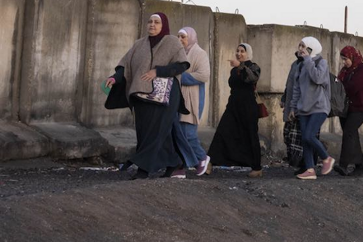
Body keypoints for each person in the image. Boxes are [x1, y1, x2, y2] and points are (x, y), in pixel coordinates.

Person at [105, 13, 189, 179]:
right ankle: (174, 163)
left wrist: (158, 71)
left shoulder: (172, 42)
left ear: (163, 24)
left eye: (156, 22)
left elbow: (182, 65)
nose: (152, 25)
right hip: (141, 95)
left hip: (166, 96)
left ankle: (143, 170)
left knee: (155, 131)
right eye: (150, 22)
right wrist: (114, 77)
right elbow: (125, 66)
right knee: (146, 132)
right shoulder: (139, 44)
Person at [207, 43, 263, 177]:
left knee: (251, 135)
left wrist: (240, 66)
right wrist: (238, 67)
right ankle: (210, 162)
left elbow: (251, 78)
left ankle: (257, 167)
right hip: (233, 106)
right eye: (237, 51)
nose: (239, 53)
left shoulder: (254, 67)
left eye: (242, 51)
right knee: (222, 131)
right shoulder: (234, 70)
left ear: (248, 53)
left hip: (248, 107)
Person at [291, 37, 335, 180]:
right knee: (305, 139)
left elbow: (318, 78)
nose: (301, 49)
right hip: (303, 108)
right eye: (300, 46)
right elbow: (297, 88)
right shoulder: (300, 65)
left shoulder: (321, 62)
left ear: (311, 48)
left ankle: (326, 158)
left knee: (310, 135)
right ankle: (310, 169)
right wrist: (293, 107)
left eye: (303, 46)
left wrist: (308, 60)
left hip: (319, 107)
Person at [174, 27, 210, 177]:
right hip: (177, 98)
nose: (181, 40)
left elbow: (203, 75)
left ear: (191, 37)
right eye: (179, 37)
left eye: (183, 37)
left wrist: (179, 76)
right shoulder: (177, 54)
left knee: (188, 134)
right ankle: (179, 167)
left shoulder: (200, 54)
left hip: (192, 100)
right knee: (177, 134)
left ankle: (201, 158)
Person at [336, 45, 363, 177]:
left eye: (346, 59)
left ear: (352, 56)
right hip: (346, 108)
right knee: (351, 135)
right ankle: (359, 165)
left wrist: (340, 87)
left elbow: (353, 87)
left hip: (359, 108)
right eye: (343, 59)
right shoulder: (345, 71)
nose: (344, 62)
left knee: (349, 132)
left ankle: (343, 165)